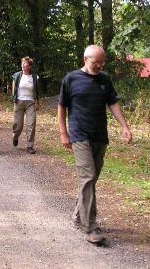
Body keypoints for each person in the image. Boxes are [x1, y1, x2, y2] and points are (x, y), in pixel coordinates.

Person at [58, 45, 132, 244]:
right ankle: (90, 226)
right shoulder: (71, 79)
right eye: (95, 62)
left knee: (91, 178)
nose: (99, 66)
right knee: (88, 175)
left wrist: (124, 126)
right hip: (79, 135)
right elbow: (62, 107)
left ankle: (78, 215)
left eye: (102, 62)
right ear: (85, 59)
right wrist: (64, 133)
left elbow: (113, 103)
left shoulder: (104, 79)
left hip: (99, 135)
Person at [11, 56, 40, 154]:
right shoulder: (17, 76)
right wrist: (14, 99)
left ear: (30, 66)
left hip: (30, 102)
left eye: (25, 64)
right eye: (22, 63)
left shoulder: (35, 77)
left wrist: (37, 102)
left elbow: (36, 90)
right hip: (19, 102)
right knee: (18, 125)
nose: (23, 65)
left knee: (31, 124)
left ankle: (29, 146)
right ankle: (15, 136)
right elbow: (13, 89)